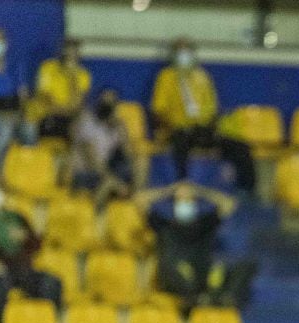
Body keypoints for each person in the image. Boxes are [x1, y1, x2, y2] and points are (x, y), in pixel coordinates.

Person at [150, 38, 255, 193]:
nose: (184, 55)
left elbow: (213, 108)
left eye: (187, 51)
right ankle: (183, 187)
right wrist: (169, 128)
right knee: (180, 144)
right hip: (178, 130)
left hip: (202, 129)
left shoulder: (202, 76)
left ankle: (247, 189)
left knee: (239, 147)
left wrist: (211, 126)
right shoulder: (166, 77)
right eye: (180, 52)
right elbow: (158, 110)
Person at [140, 182, 254, 308]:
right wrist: (170, 191)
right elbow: (140, 200)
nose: (184, 203)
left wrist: (199, 191)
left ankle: (223, 297)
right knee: (169, 267)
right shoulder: (164, 225)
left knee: (246, 266)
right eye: (180, 200)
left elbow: (228, 204)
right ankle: (195, 299)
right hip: (177, 277)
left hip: (201, 273)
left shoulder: (204, 224)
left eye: (189, 200)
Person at [0, 191, 62, 323]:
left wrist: (25, 236)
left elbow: (36, 244)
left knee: (52, 283)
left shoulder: (17, 218)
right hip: (3, 273)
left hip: (25, 270)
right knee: (0, 288)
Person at [70, 89, 134, 192]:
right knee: (108, 182)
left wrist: (123, 132)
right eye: (104, 103)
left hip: (103, 172)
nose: (107, 107)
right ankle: (110, 191)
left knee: (134, 166)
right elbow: (92, 161)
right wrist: (115, 181)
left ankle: (135, 194)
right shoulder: (87, 121)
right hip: (84, 173)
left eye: (111, 104)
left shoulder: (115, 127)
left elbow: (128, 155)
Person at [33, 38, 90, 140]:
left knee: (84, 124)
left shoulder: (83, 75)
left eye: (74, 53)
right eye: (67, 51)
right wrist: (60, 110)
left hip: (70, 117)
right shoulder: (48, 67)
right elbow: (45, 97)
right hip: (47, 114)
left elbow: (78, 103)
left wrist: (72, 77)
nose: (70, 56)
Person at [0, 28, 28, 165]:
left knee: (27, 130)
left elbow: (23, 94)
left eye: (0, 40)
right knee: (4, 132)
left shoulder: (14, 64)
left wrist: (21, 113)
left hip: (10, 111)